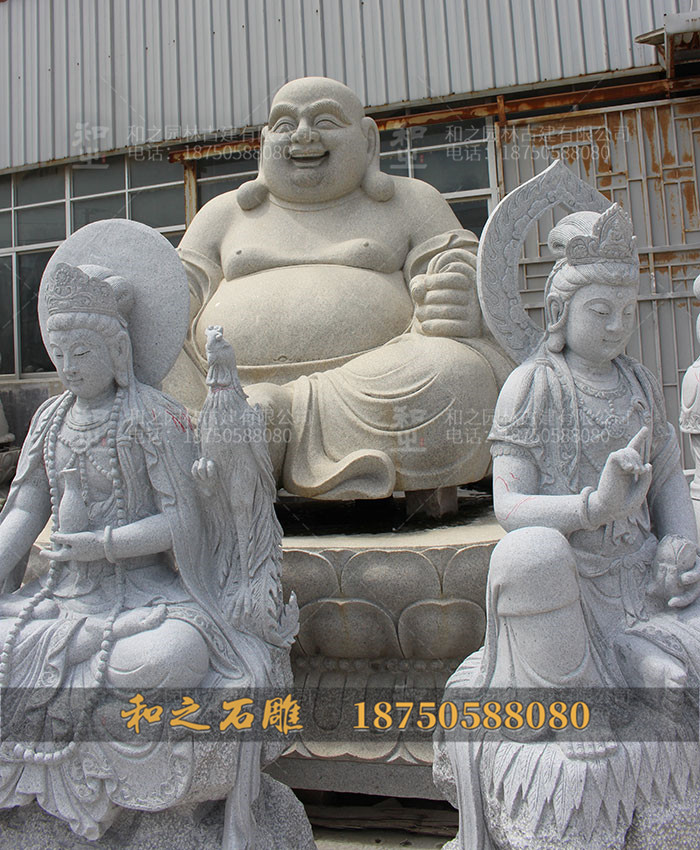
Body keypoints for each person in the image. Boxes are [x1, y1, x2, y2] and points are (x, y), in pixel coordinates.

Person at [437, 205, 700, 848]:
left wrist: (678, 543)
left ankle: (638, 652)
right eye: (599, 311)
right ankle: (589, 686)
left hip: (640, 580)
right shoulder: (531, 388)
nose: (616, 327)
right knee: (528, 558)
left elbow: (669, 475)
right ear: (560, 311)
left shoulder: (638, 381)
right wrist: (591, 509)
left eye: (627, 312)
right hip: (568, 585)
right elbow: (509, 507)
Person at [0, 260, 277, 842]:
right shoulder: (50, 418)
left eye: (82, 352)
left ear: (118, 350)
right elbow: (26, 506)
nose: (69, 367)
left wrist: (101, 546)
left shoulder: (152, 415)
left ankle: (88, 650)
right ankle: (77, 648)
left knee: (169, 658)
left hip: (146, 596)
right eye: (59, 353)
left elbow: (181, 522)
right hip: (60, 596)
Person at [170, 76, 512, 500]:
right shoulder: (221, 214)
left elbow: (458, 262)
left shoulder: (411, 201)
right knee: (151, 366)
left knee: (456, 374)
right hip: (216, 386)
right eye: (285, 124)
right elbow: (174, 291)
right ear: (263, 142)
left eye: (325, 121)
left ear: (368, 140)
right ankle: (244, 424)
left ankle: (263, 429)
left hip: (365, 389)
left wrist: (458, 296)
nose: (303, 135)